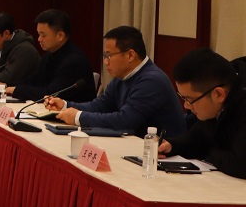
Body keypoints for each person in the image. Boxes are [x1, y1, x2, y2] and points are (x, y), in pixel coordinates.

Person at [43, 25, 186, 137]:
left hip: (164, 156)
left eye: (109, 56)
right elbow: (100, 105)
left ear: (130, 55)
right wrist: (65, 105)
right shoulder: (123, 75)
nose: (106, 62)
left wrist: (78, 117)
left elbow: (125, 121)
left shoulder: (151, 80)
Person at [158, 49, 246, 179]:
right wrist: (171, 146)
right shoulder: (219, 96)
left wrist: (208, 148)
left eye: (190, 100)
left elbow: (240, 165)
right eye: (183, 98)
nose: (186, 106)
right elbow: (198, 137)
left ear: (218, 94)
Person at [6, 9, 96, 102]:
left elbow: (51, 94)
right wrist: (6, 86)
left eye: (43, 35)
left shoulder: (74, 61)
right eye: (39, 34)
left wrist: (16, 90)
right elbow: (32, 81)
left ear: (60, 35)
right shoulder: (50, 55)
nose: (39, 39)